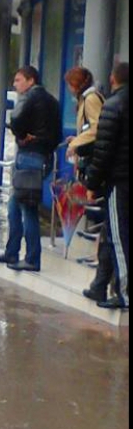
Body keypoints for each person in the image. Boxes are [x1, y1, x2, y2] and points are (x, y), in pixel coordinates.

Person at [0, 65, 62, 272]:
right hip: (44, 157)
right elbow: (56, 136)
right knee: (14, 206)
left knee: (28, 209)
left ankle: (32, 258)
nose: (15, 84)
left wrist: (22, 136)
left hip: (29, 157)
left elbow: (15, 120)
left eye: (18, 80)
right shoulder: (53, 101)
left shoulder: (29, 97)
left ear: (31, 81)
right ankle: (12, 251)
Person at [62, 67, 113, 302]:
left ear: (77, 84)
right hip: (96, 161)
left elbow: (96, 128)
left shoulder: (91, 99)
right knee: (105, 218)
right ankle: (99, 261)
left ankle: (102, 266)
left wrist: (76, 144)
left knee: (106, 215)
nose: (69, 89)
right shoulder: (89, 98)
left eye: (70, 84)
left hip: (99, 165)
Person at [83, 62, 129, 310]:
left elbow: (103, 150)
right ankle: (99, 285)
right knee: (110, 234)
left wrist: (92, 182)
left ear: (113, 79)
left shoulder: (113, 106)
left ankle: (123, 294)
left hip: (119, 182)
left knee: (118, 236)